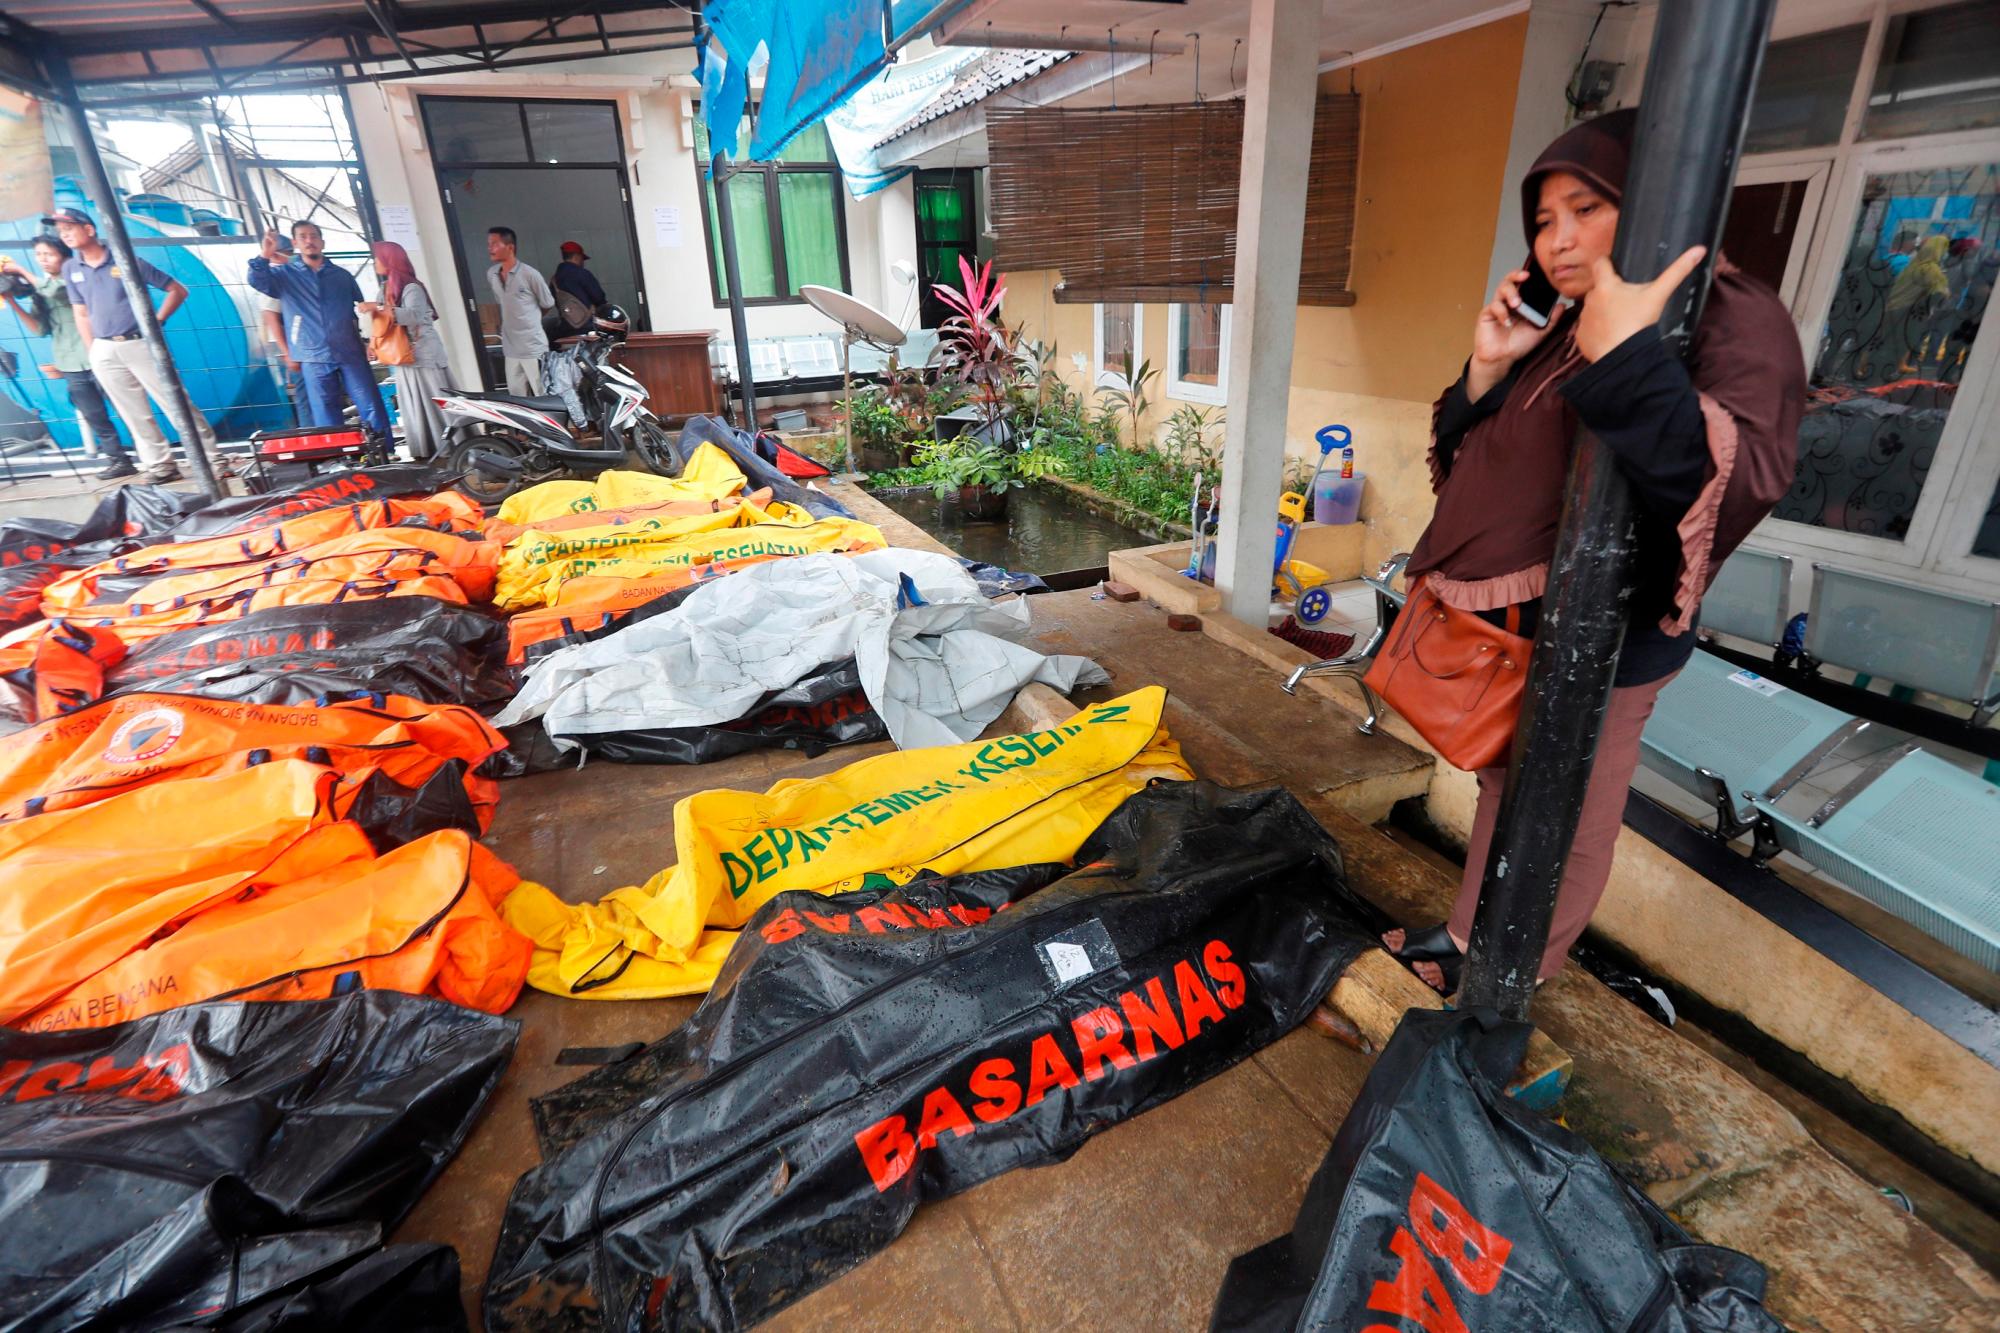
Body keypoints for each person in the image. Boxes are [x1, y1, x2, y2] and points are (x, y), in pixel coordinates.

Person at [1380, 109, 1805, 994]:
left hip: (1612, 634)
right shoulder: (1572, 319)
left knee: (1567, 813)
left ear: (1650, 204)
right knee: (1507, 788)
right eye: (1543, 220)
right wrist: (1490, 368)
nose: (1559, 239)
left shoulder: (1732, 316)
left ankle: (1506, 981)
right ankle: (1467, 941)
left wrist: (1630, 358)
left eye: (1586, 208)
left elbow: (1736, 483)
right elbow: (1484, 459)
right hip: (1522, 623)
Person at [46, 206, 217, 484]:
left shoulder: (125, 260)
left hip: (139, 343)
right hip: (104, 350)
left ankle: (213, 460)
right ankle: (161, 465)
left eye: (70, 228)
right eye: (60, 231)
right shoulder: (70, 268)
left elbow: (177, 289)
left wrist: (156, 322)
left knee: (176, 404)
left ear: (89, 230)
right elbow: (81, 312)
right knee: (133, 412)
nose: (64, 235)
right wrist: (93, 351)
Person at [1, 235, 135, 478]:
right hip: (70, 361)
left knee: (128, 407)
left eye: (48, 254)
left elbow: (54, 290)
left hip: (99, 355)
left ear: (64, 256)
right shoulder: (41, 290)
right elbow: (39, 329)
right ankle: (118, 458)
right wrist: (12, 301)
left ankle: (150, 453)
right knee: (95, 415)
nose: (43, 260)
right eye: (39, 255)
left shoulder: (75, 279)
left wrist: (21, 270)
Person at [247, 221, 387, 439]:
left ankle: (383, 453)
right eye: (303, 237)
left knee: (370, 402)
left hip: (349, 351)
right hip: (312, 354)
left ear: (322, 241)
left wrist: (366, 342)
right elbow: (257, 280)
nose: (309, 241)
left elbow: (356, 311)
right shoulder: (284, 276)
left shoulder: (341, 276)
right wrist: (264, 254)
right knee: (325, 411)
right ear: (295, 243)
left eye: (313, 236)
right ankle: (337, 458)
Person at [364, 241, 450, 461]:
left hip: (425, 355)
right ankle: (426, 449)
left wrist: (379, 308)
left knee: (438, 401)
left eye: (377, 258)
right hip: (403, 357)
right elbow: (380, 322)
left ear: (389, 260)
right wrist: (373, 344)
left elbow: (412, 315)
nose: (375, 263)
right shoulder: (385, 290)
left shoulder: (412, 287)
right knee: (414, 404)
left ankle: (451, 446)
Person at [486, 226, 553, 395]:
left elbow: (547, 303)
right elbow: (502, 303)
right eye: (489, 244)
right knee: (517, 397)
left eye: (494, 244)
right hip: (510, 348)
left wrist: (532, 319)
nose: (490, 248)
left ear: (510, 247)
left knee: (542, 393)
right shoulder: (492, 274)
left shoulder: (530, 274)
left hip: (533, 347)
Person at [552, 240, 606, 336]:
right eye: (582, 259)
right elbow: (599, 298)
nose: (583, 263)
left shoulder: (554, 279)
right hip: (587, 328)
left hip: (565, 330)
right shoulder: (582, 274)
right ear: (577, 256)